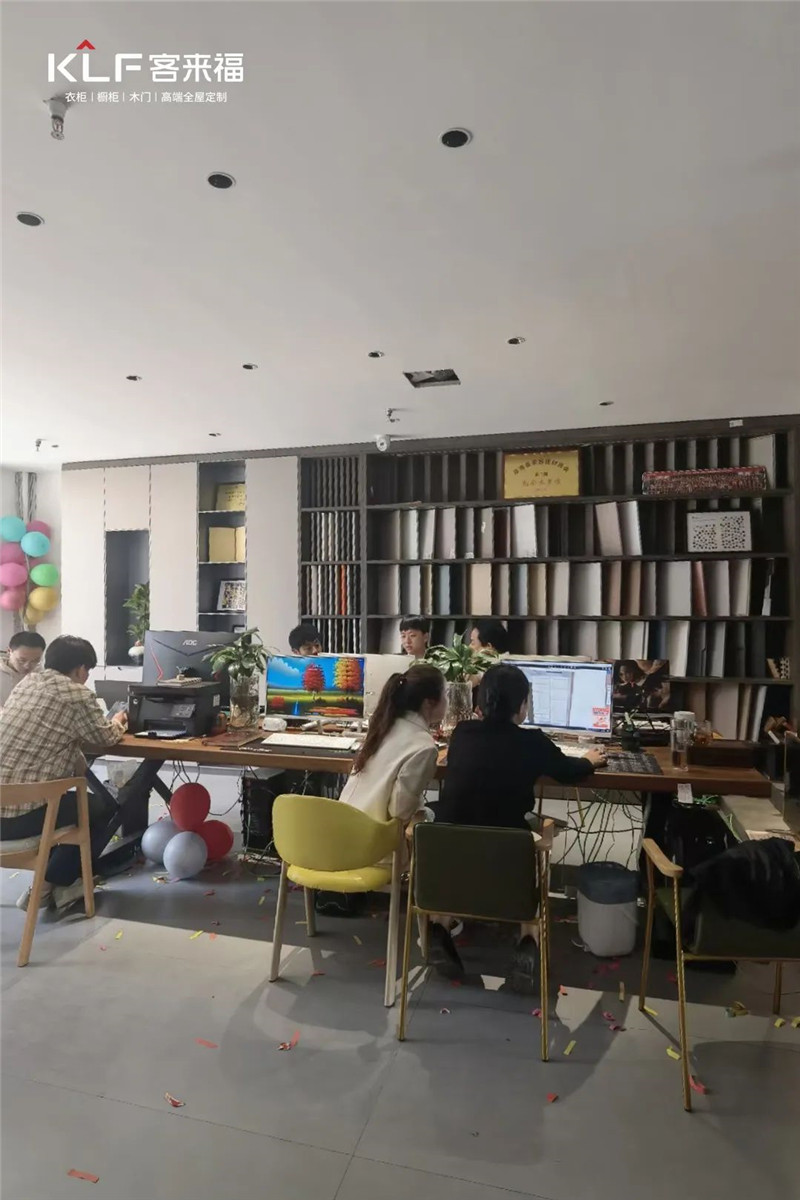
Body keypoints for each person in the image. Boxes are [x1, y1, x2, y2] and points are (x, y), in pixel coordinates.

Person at [432, 663, 607, 987]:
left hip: (451, 866)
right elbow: (569, 770)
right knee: (529, 840)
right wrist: (590, 759)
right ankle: (528, 939)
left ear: (480, 702)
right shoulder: (533, 742)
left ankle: (439, 927)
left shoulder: (462, 735)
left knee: (464, 826)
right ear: (523, 705)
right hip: (507, 868)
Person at [0, 635, 129, 913]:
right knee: (102, 808)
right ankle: (47, 886)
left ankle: (60, 886)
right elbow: (105, 737)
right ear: (81, 670)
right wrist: (118, 721)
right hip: (15, 820)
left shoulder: (28, 683)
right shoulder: (77, 695)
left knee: (74, 804)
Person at [339, 663, 446, 825]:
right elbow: (399, 812)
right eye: (445, 694)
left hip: (341, 822)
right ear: (429, 702)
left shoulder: (385, 726)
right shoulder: (424, 747)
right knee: (429, 817)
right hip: (370, 834)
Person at [0, 631, 46, 707]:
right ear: (9, 651)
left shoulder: (41, 675)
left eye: (35, 661)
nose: (27, 666)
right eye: (22, 660)